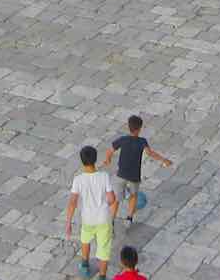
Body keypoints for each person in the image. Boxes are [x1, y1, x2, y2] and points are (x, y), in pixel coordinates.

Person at [104, 115, 173, 224]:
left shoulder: (123, 139)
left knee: (116, 199)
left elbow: (109, 151)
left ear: (128, 127)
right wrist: (164, 160)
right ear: (140, 129)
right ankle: (129, 218)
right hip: (134, 177)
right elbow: (150, 153)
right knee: (133, 196)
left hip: (121, 174)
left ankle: (111, 220)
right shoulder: (142, 141)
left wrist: (108, 160)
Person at [66, 145, 118, 279]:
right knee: (104, 248)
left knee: (85, 240)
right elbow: (112, 199)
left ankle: (84, 265)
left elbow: (72, 203)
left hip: (87, 219)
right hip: (103, 219)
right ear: (95, 159)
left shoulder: (78, 180)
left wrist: (68, 223)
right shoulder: (104, 176)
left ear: (82, 161)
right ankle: (102, 276)